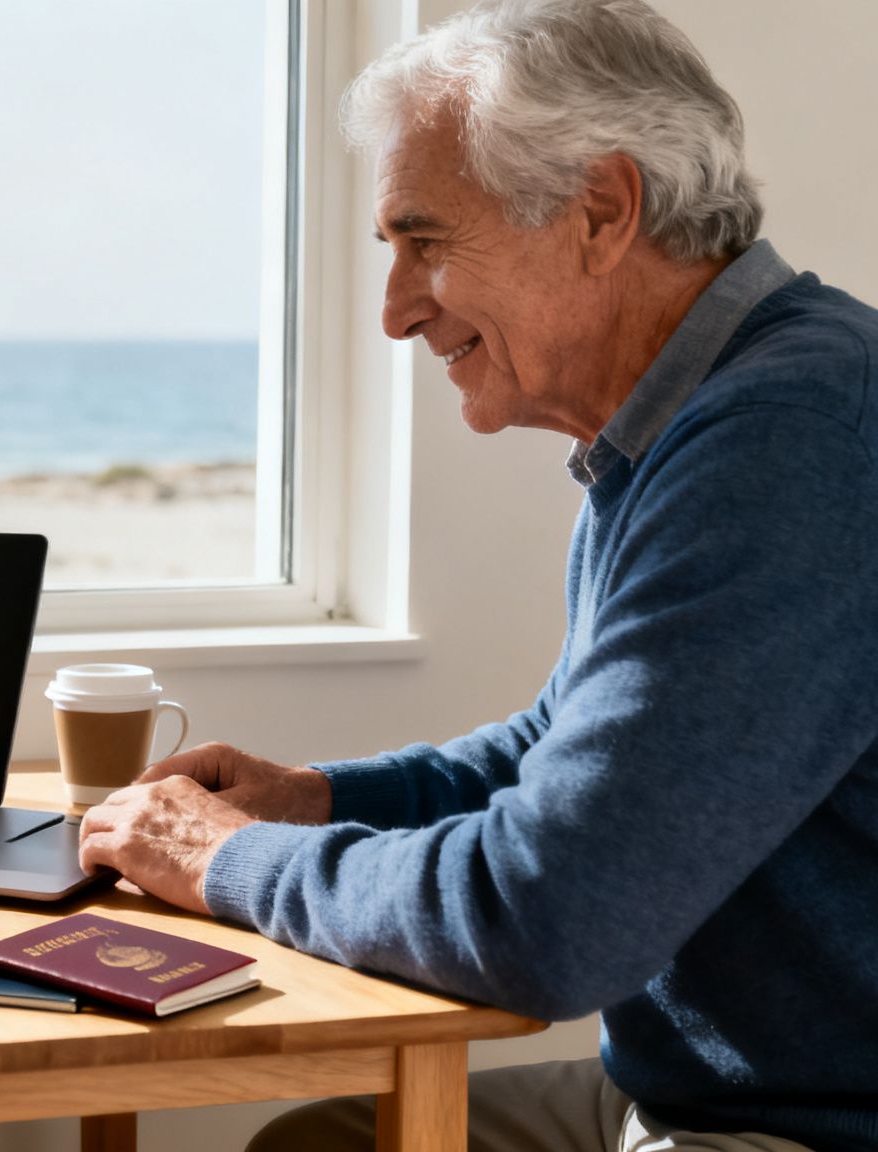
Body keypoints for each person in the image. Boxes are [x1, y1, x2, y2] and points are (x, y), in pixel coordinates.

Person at [76, 2, 878, 1149]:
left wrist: (225, 861)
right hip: (705, 1092)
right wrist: (321, 797)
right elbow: (570, 746)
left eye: (425, 241)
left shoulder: (789, 441)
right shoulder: (685, 429)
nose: (397, 309)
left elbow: (548, 920)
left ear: (600, 211)